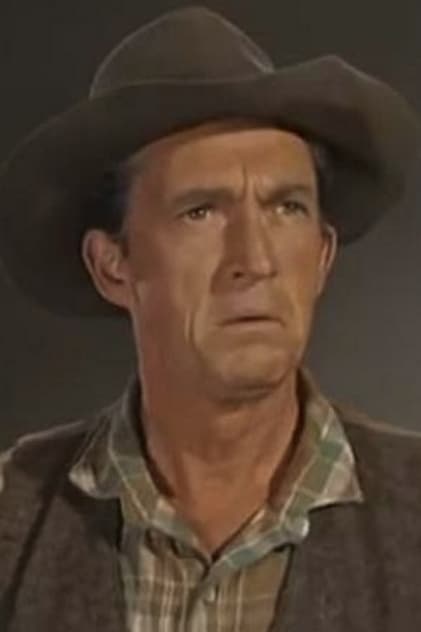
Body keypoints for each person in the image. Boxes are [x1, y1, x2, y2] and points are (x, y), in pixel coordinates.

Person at [0, 6, 420, 632]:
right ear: (113, 266)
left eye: (287, 208)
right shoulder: (12, 517)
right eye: (200, 212)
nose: (254, 260)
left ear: (322, 255)